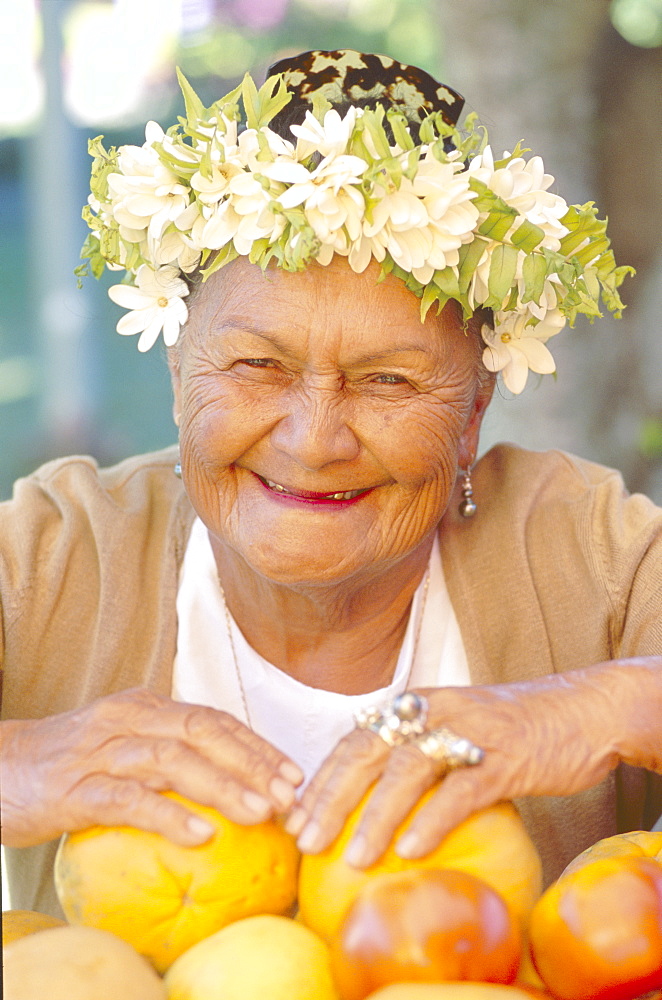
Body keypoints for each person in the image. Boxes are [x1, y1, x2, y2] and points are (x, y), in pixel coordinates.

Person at [1, 49, 660, 920]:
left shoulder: (589, 549)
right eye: (256, 365)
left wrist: (592, 709)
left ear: (471, 414)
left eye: (389, 380)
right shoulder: (58, 552)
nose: (315, 441)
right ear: (176, 373)